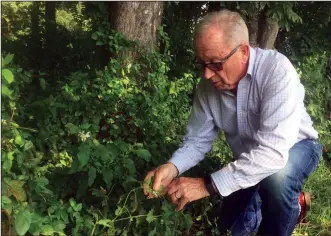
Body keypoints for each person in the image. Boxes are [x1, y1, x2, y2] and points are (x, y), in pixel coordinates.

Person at [143, 9, 322, 236]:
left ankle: (282, 211)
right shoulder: (207, 87)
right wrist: (172, 167)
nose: (207, 74)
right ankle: (267, 202)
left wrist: (206, 185)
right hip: (249, 158)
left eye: (216, 64)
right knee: (229, 226)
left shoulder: (277, 71)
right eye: (201, 63)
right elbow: (197, 141)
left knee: (278, 179)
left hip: (297, 147)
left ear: (244, 52)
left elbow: (273, 155)